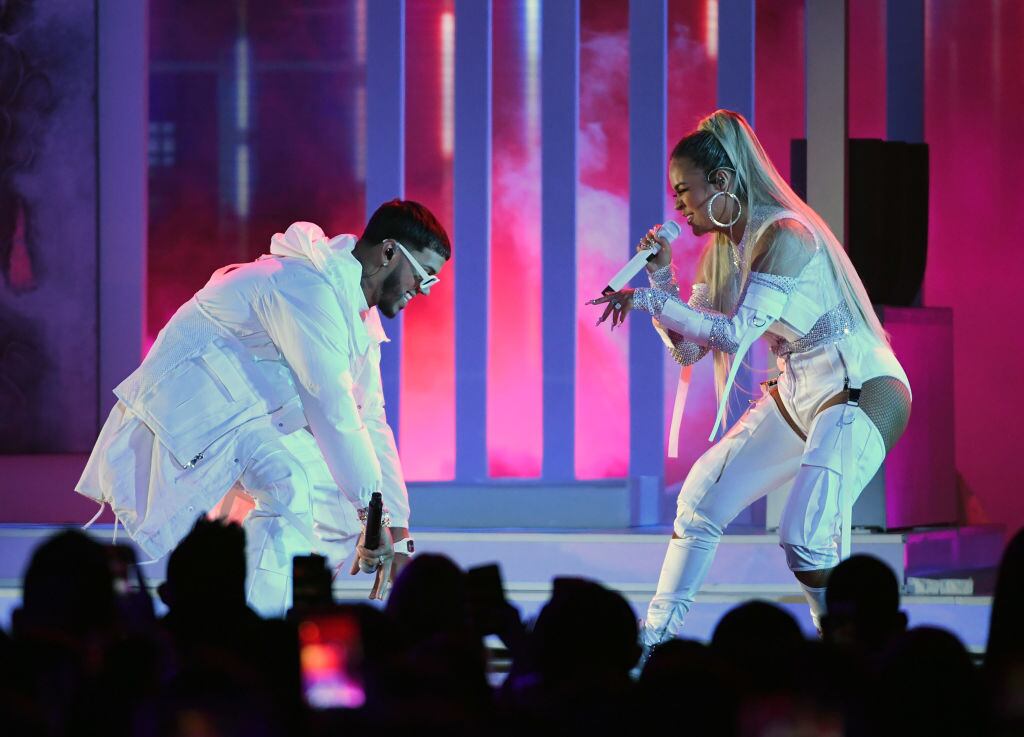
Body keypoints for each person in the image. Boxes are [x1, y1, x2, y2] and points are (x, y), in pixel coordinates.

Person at [589, 110, 911, 650]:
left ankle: (850, 650)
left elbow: (735, 333)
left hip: (858, 386)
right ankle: (653, 645)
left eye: (684, 192)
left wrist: (649, 300)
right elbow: (692, 346)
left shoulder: (785, 233)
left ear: (721, 182)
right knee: (699, 501)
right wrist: (660, 274)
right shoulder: (724, 253)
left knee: (805, 541)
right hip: (798, 390)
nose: (679, 207)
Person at [77, 199, 451, 615]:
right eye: (425, 277)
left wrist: (395, 530)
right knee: (294, 487)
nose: (423, 291)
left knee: (337, 506)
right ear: (389, 252)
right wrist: (375, 517)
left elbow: (371, 419)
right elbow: (332, 408)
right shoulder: (307, 288)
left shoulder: (354, 312)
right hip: (191, 413)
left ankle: (248, 614)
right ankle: (248, 634)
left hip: (240, 415)